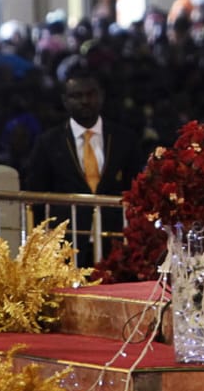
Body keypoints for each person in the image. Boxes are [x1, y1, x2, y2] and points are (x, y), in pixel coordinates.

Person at [20, 71, 143, 263]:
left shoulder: (124, 138)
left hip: (116, 237)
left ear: (101, 96)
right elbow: (36, 194)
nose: (85, 101)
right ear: (65, 100)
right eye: (77, 96)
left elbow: (136, 188)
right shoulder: (49, 142)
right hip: (67, 241)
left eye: (90, 94)